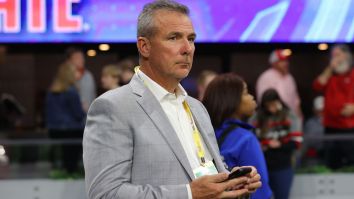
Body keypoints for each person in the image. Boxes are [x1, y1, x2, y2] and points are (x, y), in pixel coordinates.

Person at [83, 1, 262, 199]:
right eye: (174, 37)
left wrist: (233, 182)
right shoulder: (113, 107)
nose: (187, 48)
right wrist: (189, 194)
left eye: (191, 39)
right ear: (144, 47)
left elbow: (205, 171)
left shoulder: (197, 108)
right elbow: (105, 194)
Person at [203, 73, 272, 199]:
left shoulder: (203, 133)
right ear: (231, 100)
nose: (252, 97)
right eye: (246, 93)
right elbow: (259, 189)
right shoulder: (245, 139)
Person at [250, 89, 302, 199]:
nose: (271, 108)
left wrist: (279, 145)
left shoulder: (289, 116)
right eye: (268, 106)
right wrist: (267, 143)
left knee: (282, 196)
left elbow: (297, 142)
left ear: (279, 102)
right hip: (261, 166)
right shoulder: (257, 117)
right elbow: (250, 140)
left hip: (283, 166)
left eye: (273, 104)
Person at [313, 44, 354, 169]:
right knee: (332, 163)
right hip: (331, 126)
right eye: (333, 56)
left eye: (338, 55)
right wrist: (330, 68)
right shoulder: (330, 75)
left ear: (347, 56)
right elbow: (317, 86)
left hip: (350, 127)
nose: (335, 59)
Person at [45, 62, 86, 173]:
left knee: (61, 156)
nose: (78, 74)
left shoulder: (51, 91)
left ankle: (61, 172)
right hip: (72, 130)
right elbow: (78, 115)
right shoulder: (71, 92)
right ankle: (71, 174)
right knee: (71, 159)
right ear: (70, 75)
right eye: (75, 72)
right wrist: (84, 109)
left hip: (54, 130)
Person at [256, 49, 302, 119]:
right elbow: (264, 100)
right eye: (282, 61)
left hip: (291, 116)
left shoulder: (289, 77)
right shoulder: (266, 77)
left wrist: (299, 116)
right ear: (274, 63)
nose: (286, 63)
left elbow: (296, 100)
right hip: (273, 117)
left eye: (286, 60)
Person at [65, 47, 96, 112]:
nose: (81, 60)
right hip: (68, 117)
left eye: (82, 57)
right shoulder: (64, 77)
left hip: (86, 116)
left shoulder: (88, 76)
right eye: (77, 58)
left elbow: (89, 99)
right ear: (69, 61)